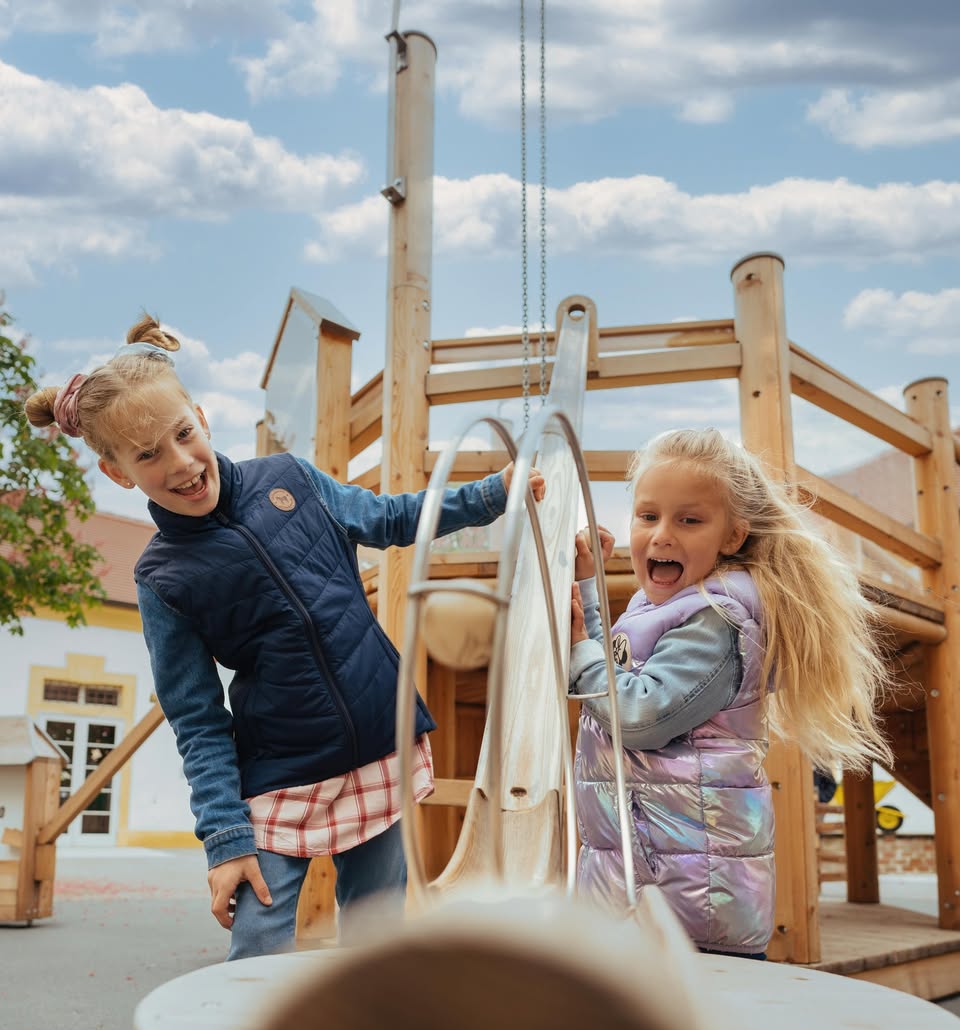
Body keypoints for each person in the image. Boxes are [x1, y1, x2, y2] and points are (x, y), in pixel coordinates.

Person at [24, 314, 545, 960]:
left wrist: (492, 497)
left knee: (378, 943)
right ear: (117, 473)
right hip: (281, 774)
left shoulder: (291, 480)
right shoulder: (164, 578)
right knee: (258, 947)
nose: (182, 463)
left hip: (379, 737)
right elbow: (197, 718)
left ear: (203, 417)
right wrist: (224, 839)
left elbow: (389, 517)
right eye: (149, 454)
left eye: (183, 434)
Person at [568, 428, 890, 959]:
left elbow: (638, 712)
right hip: (655, 873)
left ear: (733, 535)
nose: (662, 535)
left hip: (692, 894)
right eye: (648, 516)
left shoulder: (714, 617)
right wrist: (587, 590)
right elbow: (618, 664)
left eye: (689, 520)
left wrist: (580, 653)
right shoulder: (664, 606)